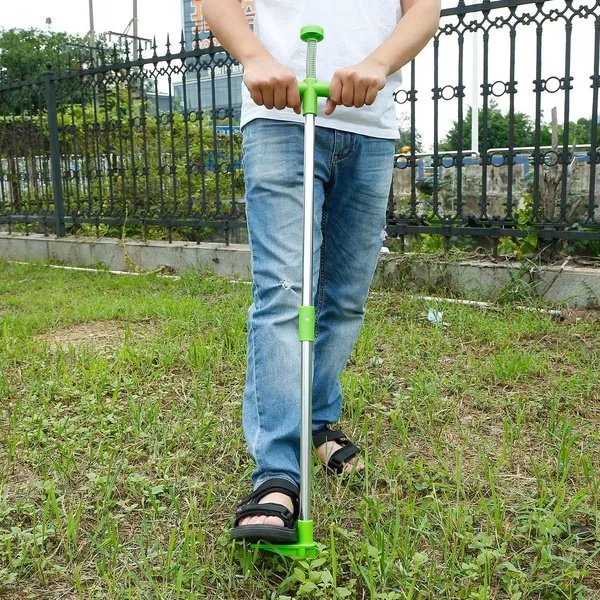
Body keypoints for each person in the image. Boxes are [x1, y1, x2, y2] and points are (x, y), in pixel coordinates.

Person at [203, 0, 441, 544]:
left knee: (345, 297)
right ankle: (277, 474)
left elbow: (424, 10)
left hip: (370, 126)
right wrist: (254, 57)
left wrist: (378, 63)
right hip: (280, 117)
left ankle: (316, 420)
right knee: (286, 293)